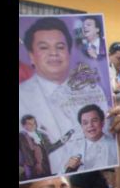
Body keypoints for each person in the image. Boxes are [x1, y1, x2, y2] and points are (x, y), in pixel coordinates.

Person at [19, 17, 108, 165]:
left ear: (69, 53)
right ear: (31, 56)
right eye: (44, 47)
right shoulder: (21, 96)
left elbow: (105, 136)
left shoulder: (92, 91)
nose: (53, 53)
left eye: (60, 47)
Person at [55, 103, 118, 174]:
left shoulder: (115, 146)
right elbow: (60, 174)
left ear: (102, 123)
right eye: (85, 123)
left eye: (94, 120)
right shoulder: (72, 148)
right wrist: (67, 168)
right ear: (81, 126)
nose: (90, 125)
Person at [19, 115, 68, 181]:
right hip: (31, 169)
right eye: (30, 124)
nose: (33, 125)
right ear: (23, 125)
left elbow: (49, 149)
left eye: (34, 123)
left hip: (45, 167)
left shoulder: (42, 135)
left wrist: (61, 142)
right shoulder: (20, 137)